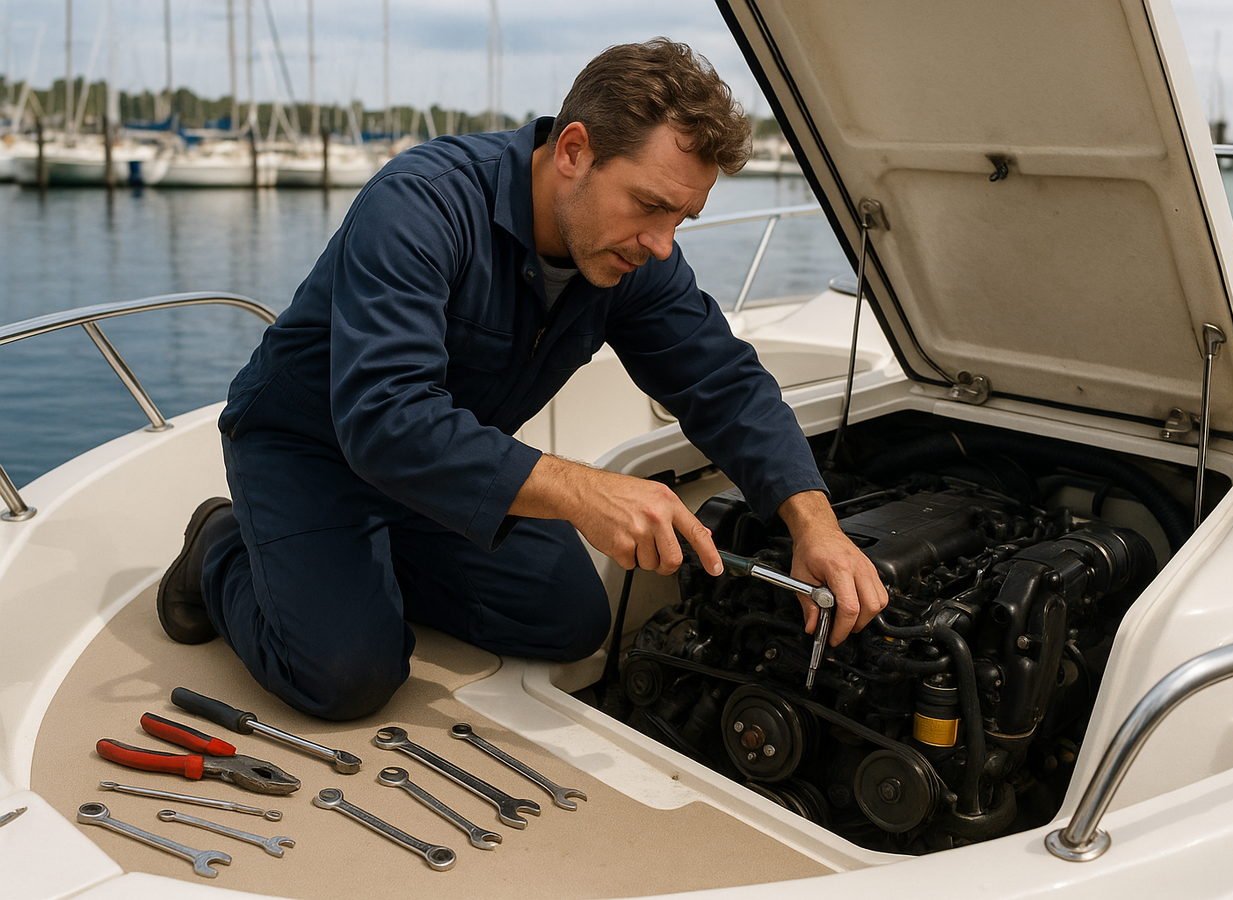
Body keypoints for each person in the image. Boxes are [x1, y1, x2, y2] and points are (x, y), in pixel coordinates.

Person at [157, 38, 887, 721]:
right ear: (573, 151)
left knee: (570, 622)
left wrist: (813, 523)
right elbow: (385, 416)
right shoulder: (420, 207)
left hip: (442, 474)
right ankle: (219, 544)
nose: (663, 244)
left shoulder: (634, 257)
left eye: (683, 218)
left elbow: (723, 382)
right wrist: (581, 491)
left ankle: (352, 567)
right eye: (651, 206)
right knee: (350, 678)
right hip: (311, 449)